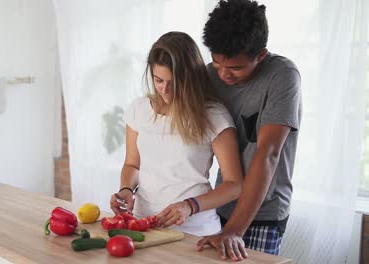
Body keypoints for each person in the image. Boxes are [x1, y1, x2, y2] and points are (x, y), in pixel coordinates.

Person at [109, 31, 244, 238]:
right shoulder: (139, 109)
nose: (165, 90)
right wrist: (126, 189)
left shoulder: (213, 115)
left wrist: (189, 206)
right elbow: (132, 164)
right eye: (158, 80)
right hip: (143, 227)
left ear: (191, 77)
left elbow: (234, 185)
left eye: (175, 82)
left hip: (195, 232)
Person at [196, 0, 302, 260]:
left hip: (265, 210)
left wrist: (233, 230)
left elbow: (268, 154)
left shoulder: (282, 76)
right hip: (221, 202)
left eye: (235, 67)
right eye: (217, 63)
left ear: (261, 55)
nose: (224, 75)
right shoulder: (209, 75)